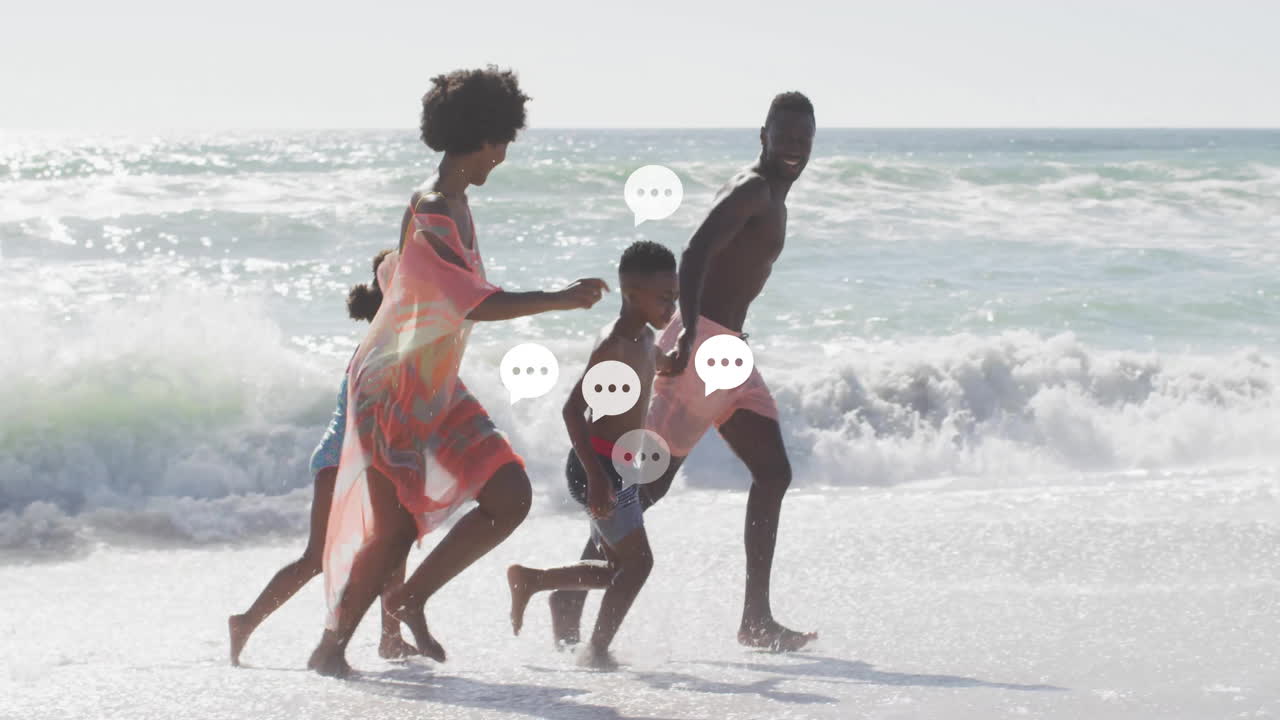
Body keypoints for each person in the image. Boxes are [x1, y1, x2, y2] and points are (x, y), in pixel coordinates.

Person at [307, 66, 609, 678]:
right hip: (392, 389)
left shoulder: (455, 206)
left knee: (510, 495)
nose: (504, 155)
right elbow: (471, 301)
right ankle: (329, 650)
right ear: (485, 135)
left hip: (435, 385)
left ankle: (410, 599)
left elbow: (398, 278)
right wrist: (560, 297)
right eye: (503, 142)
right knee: (392, 534)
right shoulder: (436, 208)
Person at [549, 92, 819, 653]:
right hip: (703, 347)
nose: (794, 146)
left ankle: (755, 621)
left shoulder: (773, 195)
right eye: (784, 135)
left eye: (802, 137)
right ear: (762, 135)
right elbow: (694, 253)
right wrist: (692, 330)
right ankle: (571, 591)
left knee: (771, 473)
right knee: (644, 487)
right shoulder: (753, 189)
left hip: (728, 351)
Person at [228, 249, 415, 666]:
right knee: (318, 557)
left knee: (394, 545)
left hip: (368, 458)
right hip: (342, 459)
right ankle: (246, 622)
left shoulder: (394, 338)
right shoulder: (380, 343)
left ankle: (390, 637)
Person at [506, 241, 677, 668]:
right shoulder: (614, 344)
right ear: (633, 292)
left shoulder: (645, 336)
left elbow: (657, 360)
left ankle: (543, 585)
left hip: (620, 466)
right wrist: (598, 477)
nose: (671, 306)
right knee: (636, 566)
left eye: (675, 297)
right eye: (664, 298)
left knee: (619, 567)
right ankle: (596, 651)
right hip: (599, 467)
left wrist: (674, 362)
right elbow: (572, 410)